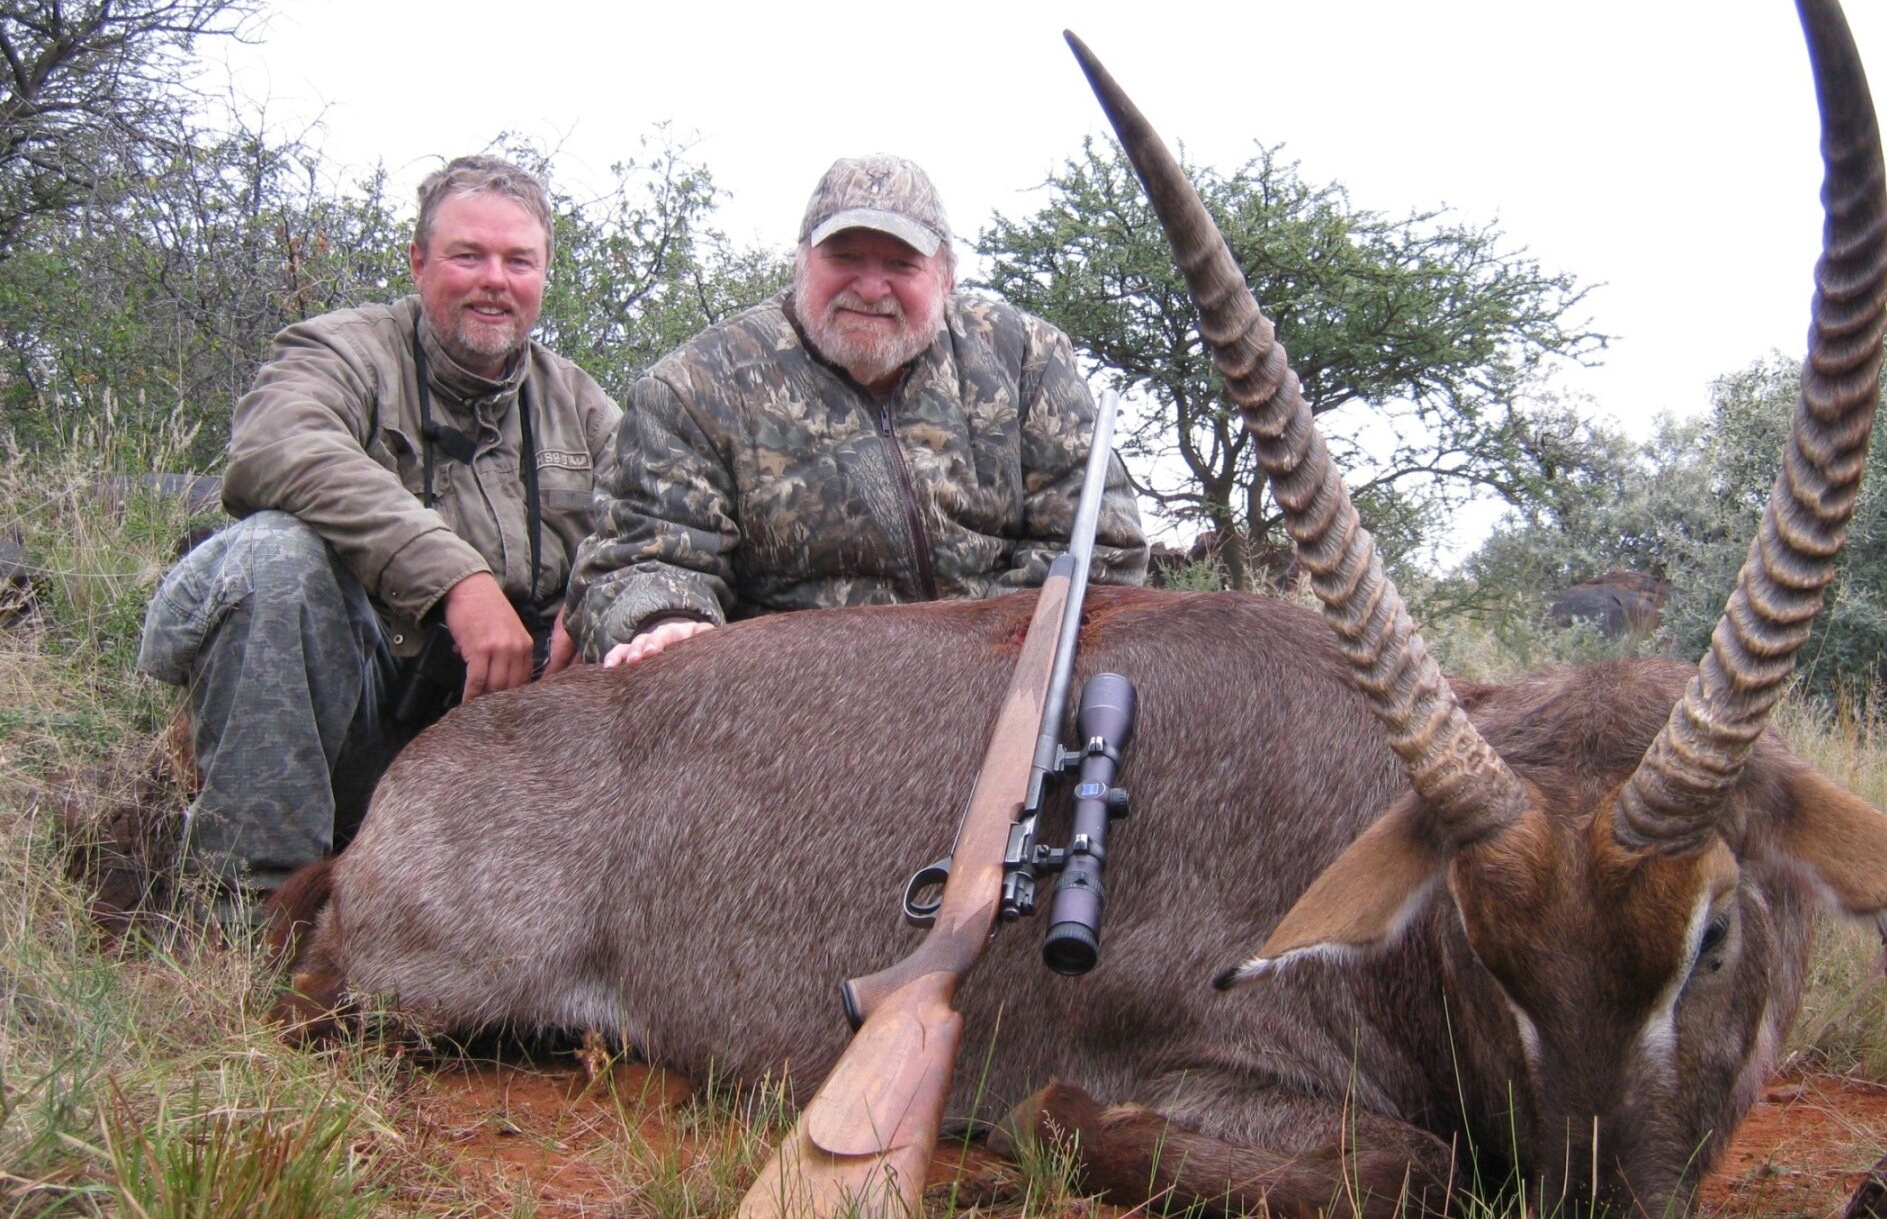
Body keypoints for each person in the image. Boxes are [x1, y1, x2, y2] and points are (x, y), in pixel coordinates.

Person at [139, 155, 621, 914]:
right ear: (419, 261)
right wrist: (456, 582)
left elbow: (648, 517)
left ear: (542, 275)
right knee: (272, 557)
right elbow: (276, 447)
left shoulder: (582, 403)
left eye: (517, 260)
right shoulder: (338, 351)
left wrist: (596, 594)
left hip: (494, 733)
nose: (494, 279)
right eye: (468, 255)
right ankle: (252, 905)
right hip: (352, 707)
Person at [565, 154, 1146, 666]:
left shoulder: (1026, 358)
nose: (871, 287)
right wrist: (663, 620)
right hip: (790, 704)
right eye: (844, 256)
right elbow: (637, 559)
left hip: (1000, 674)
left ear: (946, 276)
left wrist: (972, 651)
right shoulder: (692, 386)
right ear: (801, 263)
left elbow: (1100, 544)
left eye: (901, 265)